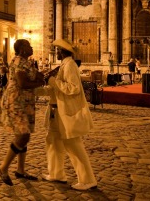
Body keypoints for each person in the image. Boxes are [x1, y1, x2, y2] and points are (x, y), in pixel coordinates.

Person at [44, 38, 97, 191]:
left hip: (66, 112)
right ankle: (56, 173)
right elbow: (57, 87)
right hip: (55, 110)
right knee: (53, 141)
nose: (56, 52)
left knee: (73, 145)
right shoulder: (63, 65)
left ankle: (87, 179)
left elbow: (73, 88)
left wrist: (53, 81)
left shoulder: (70, 65)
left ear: (62, 51)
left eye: (58, 50)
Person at [0, 39, 44, 186]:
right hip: (16, 101)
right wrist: (40, 82)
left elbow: (33, 77)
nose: (32, 47)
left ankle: (20, 170)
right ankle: (3, 168)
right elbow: (22, 83)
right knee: (23, 135)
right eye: (29, 46)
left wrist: (41, 76)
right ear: (22, 49)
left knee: (25, 134)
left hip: (25, 102)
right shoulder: (18, 62)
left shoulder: (27, 62)